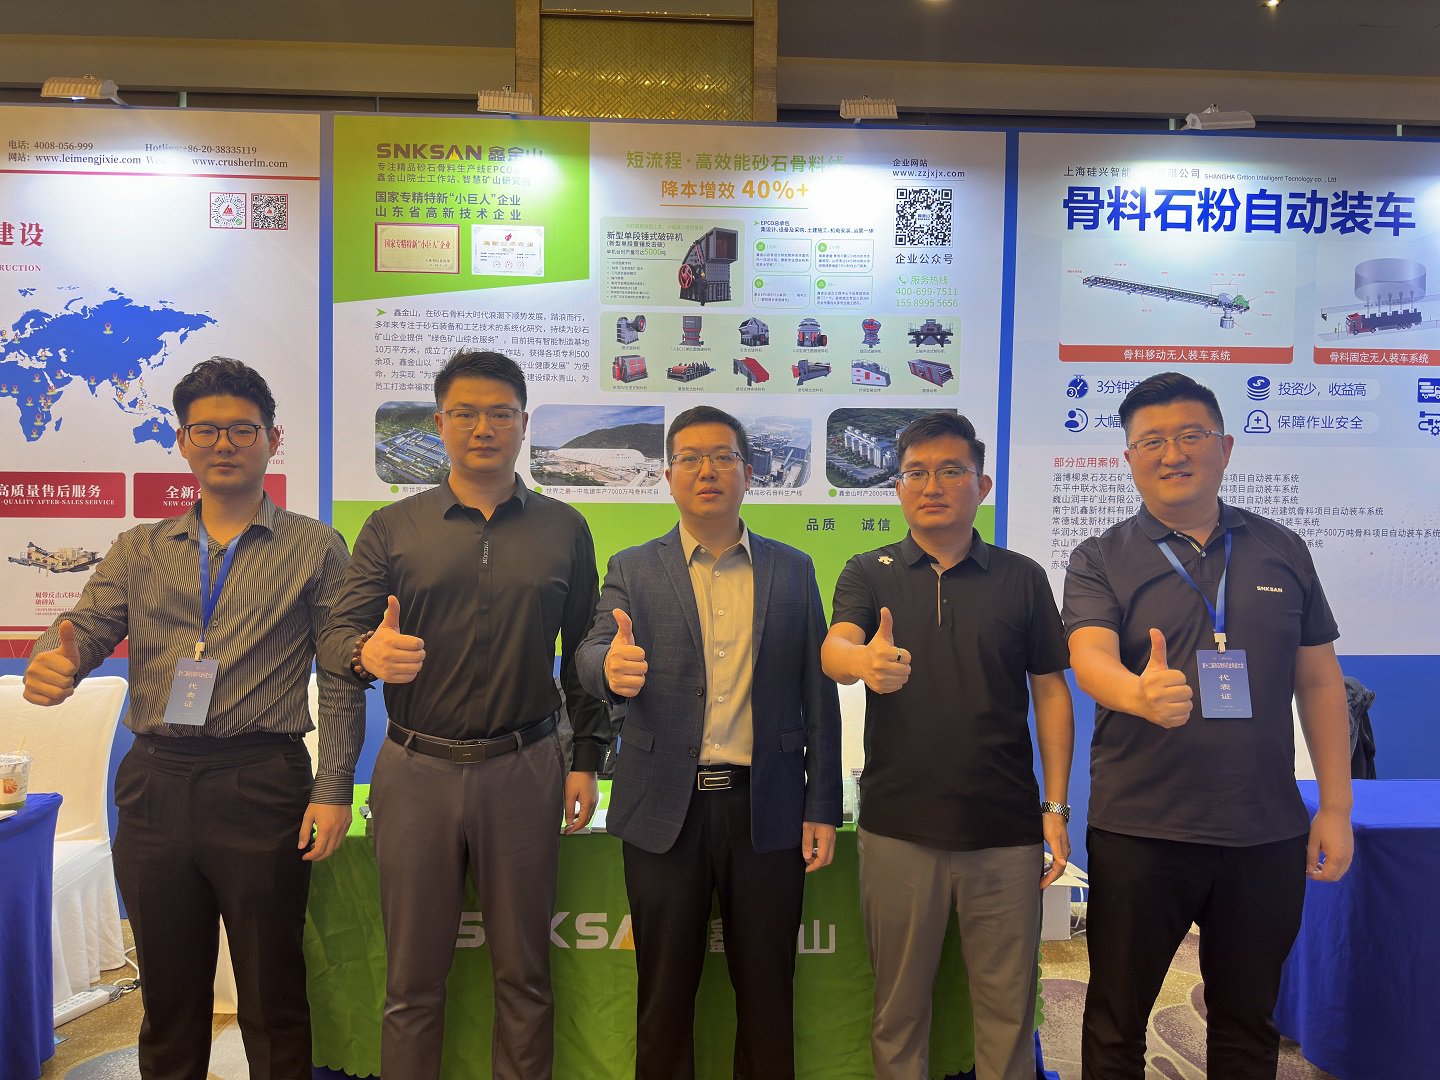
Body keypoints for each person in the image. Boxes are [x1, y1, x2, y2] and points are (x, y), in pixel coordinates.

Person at [23, 357, 364, 1080]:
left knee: (272, 990)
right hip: (156, 783)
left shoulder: (314, 547)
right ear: (181, 441)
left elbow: (339, 674)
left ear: (272, 440)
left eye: (243, 429)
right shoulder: (140, 547)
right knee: (170, 995)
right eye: (206, 430)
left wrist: (334, 787)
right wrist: (55, 661)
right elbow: (85, 628)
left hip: (262, 779)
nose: (224, 443)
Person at [318, 349, 608, 1080]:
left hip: (526, 768)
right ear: (440, 422)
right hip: (416, 770)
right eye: (467, 413)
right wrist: (365, 653)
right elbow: (336, 636)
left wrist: (585, 759)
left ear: (523, 424)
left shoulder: (564, 528)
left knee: (525, 976)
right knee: (411, 982)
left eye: (501, 414)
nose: (484, 428)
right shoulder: (392, 527)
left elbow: (583, 651)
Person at [1063, 371, 1353, 1078]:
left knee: (1246, 1024)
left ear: (1224, 447)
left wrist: (1336, 808)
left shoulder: (1282, 548)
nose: (1173, 453)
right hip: (1141, 829)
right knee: (1115, 1021)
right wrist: (1137, 694)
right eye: (1152, 441)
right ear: (1129, 458)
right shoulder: (1100, 556)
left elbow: (1319, 681)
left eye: (1191, 435)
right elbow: (1089, 656)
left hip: (1264, 830)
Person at [576, 405, 841, 1080]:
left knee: (768, 993)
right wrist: (609, 668)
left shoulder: (793, 569)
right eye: (690, 458)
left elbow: (818, 694)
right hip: (664, 809)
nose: (707, 471)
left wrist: (821, 805)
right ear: (668, 476)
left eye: (722, 457)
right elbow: (591, 650)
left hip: (767, 808)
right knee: (664, 996)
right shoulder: (634, 567)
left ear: (749, 473)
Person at [821, 411, 1073, 1080]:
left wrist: (1055, 807)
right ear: (897, 487)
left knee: (1007, 1011)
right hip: (898, 829)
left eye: (950, 471)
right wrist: (862, 662)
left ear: (981, 485)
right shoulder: (868, 571)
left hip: (1004, 830)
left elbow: (1051, 692)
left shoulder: (1022, 578)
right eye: (916, 473)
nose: (931, 485)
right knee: (898, 1011)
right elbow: (835, 649)